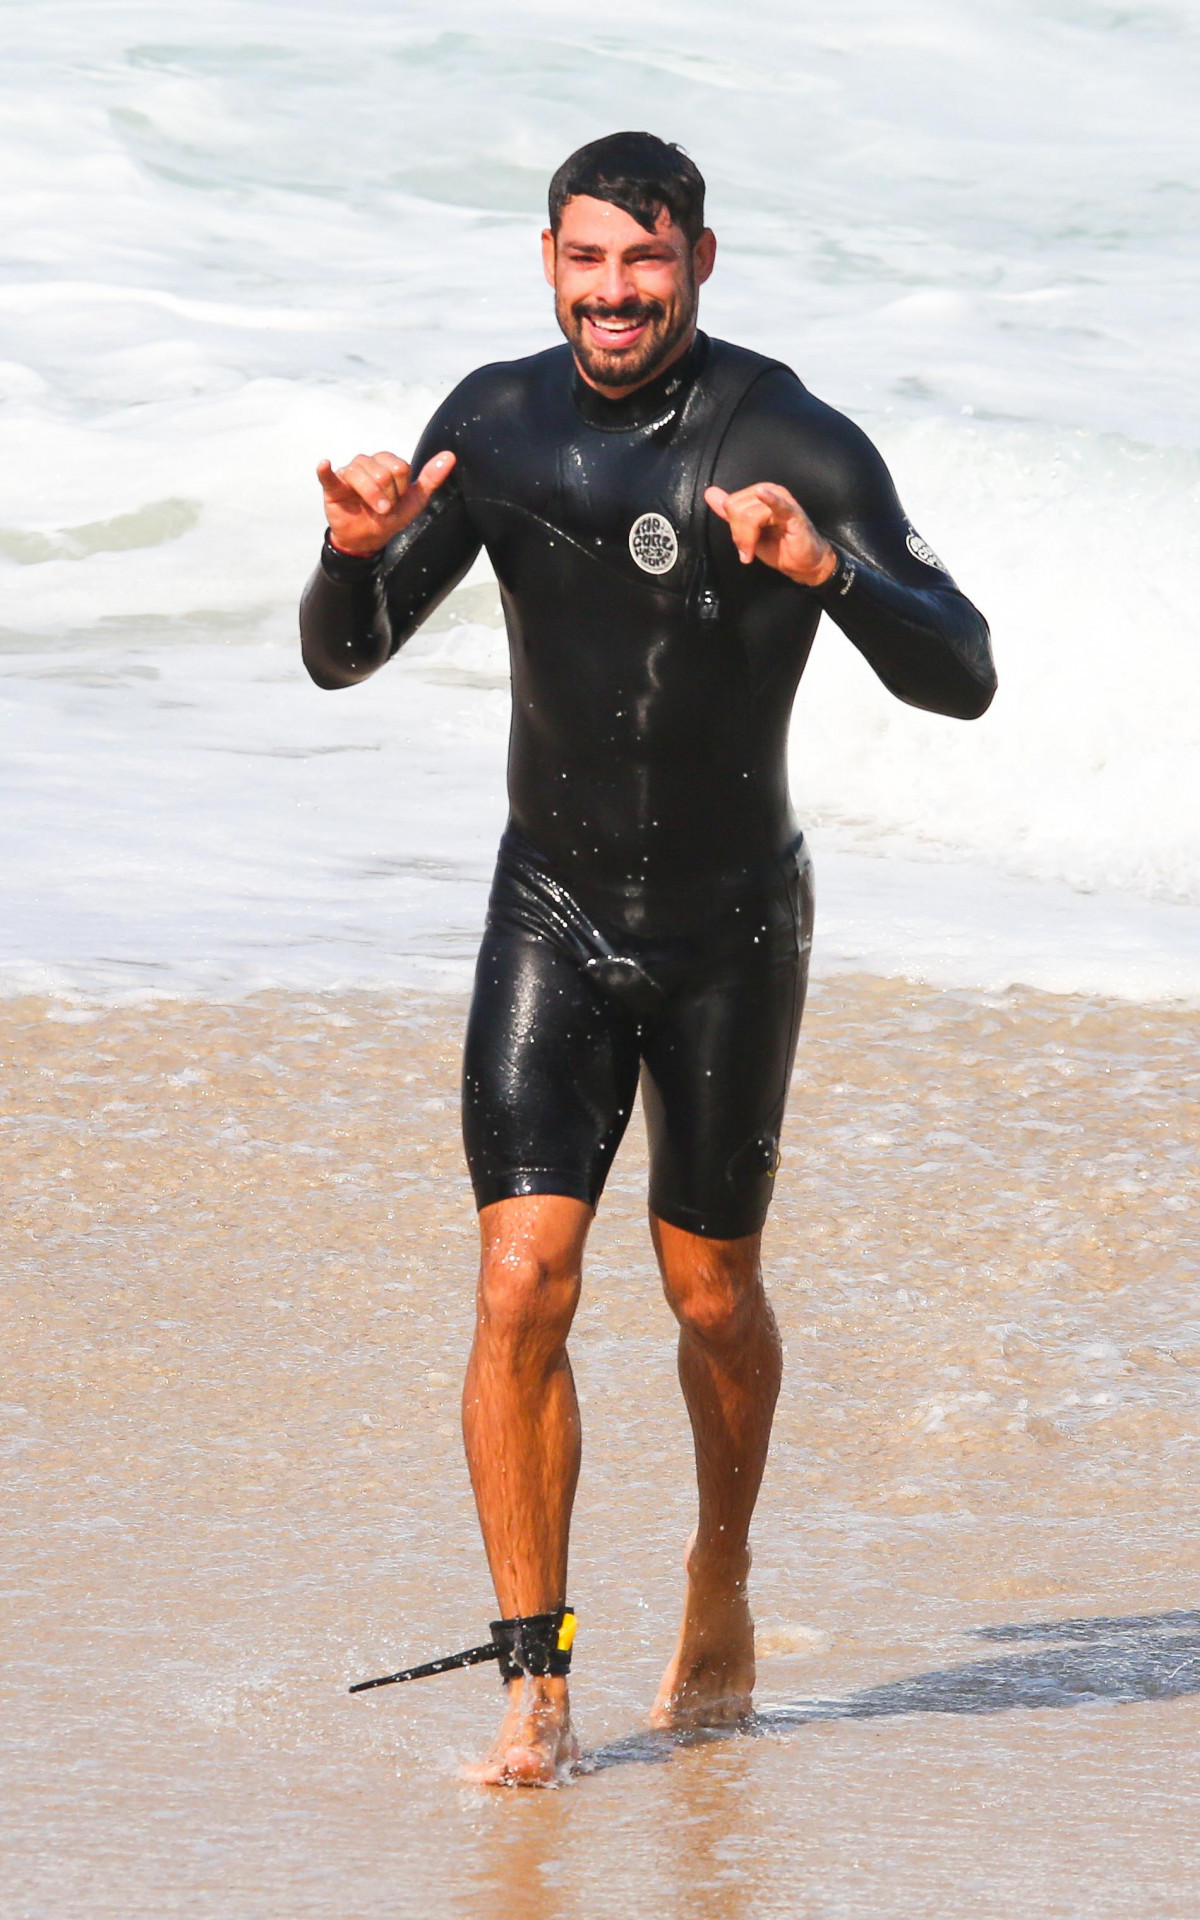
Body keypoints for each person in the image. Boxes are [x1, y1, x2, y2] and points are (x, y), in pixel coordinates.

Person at [300, 131, 995, 1787]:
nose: (615, 293)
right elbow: (344, 658)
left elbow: (963, 670)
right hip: (551, 905)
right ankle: (534, 1679)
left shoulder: (791, 438)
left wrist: (827, 570)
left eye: (647, 259)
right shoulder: (495, 424)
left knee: (711, 1293)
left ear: (699, 260)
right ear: (549, 261)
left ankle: (719, 1575)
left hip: (731, 926)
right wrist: (351, 553)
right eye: (588, 260)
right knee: (519, 1278)